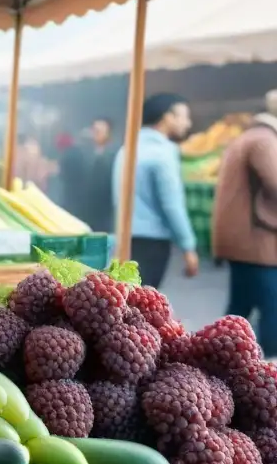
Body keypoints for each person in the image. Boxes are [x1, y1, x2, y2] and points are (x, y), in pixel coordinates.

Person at [213, 92, 277, 356]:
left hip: (242, 239)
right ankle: (269, 367)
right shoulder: (264, 142)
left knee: (239, 309)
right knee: (273, 307)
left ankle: (219, 358)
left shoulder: (252, 136)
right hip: (255, 241)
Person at [112, 93, 198, 289]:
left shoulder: (126, 149)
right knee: (142, 304)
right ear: (168, 117)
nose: (188, 123)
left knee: (126, 301)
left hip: (125, 237)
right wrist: (188, 246)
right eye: (184, 116)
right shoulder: (163, 153)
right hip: (152, 243)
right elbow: (172, 204)